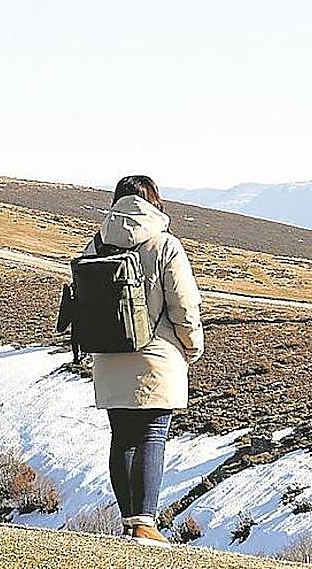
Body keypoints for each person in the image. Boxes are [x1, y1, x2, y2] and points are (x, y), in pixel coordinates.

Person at [86, 175, 204, 545]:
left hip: (108, 355)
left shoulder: (98, 243)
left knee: (122, 437)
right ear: (154, 201)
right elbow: (183, 305)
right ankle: (145, 524)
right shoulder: (165, 244)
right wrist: (192, 345)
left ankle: (129, 522)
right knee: (152, 434)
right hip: (156, 356)